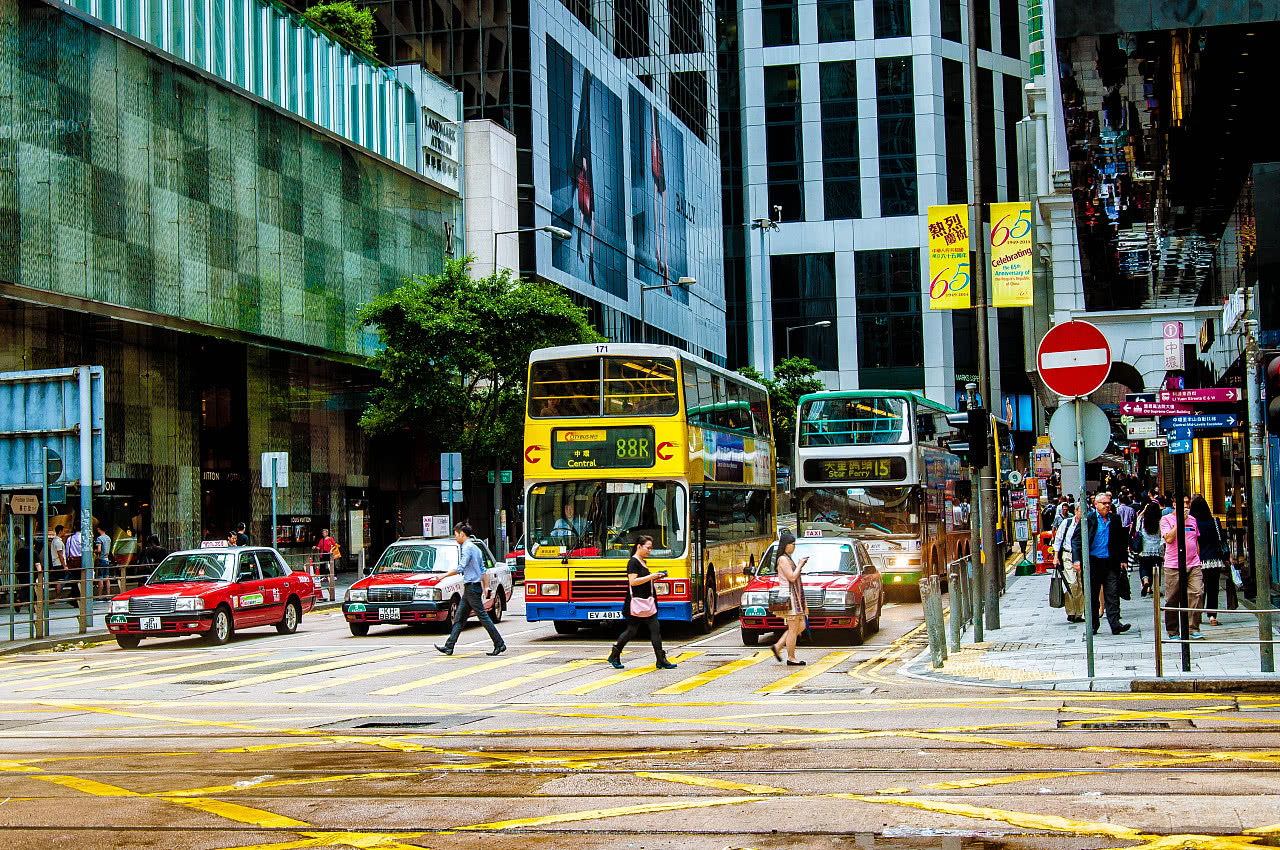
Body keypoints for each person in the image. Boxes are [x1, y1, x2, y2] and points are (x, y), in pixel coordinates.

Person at [607, 535, 677, 670]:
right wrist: (651, 576)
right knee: (631, 631)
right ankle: (614, 654)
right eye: (648, 548)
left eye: (651, 548)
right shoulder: (633, 562)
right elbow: (632, 582)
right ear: (639, 546)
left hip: (647, 602)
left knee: (655, 629)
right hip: (636, 603)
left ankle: (660, 659)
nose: (649, 551)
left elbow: (643, 580)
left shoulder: (642, 561)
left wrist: (655, 577)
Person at [435, 523, 506, 657]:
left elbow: (461, 567)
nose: (455, 537)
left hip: (472, 588)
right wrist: (485, 586)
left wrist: (443, 575)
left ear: (462, 534)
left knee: (483, 617)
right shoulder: (476, 548)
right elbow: (482, 570)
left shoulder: (467, 548)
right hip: (472, 588)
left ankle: (499, 643)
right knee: (459, 618)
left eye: (456, 534)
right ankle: (449, 646)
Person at [1070, 492, 1131, 635]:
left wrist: (1123, 560)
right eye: (1104, 503)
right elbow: (1076, 540)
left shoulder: (1115, 519)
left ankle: (1115, 624)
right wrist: (1077, 560)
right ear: (1096, 505)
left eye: (1109, 503)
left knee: (1112, 595)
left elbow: (1120, 541)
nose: (1107, 506)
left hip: (1110, 563)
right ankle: (1093, 625)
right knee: (1092, 595)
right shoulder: (1088, 519)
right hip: (1093, 563)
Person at [1161, 497, 1204, 640]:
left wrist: (1198, 558)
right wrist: (1180, 521)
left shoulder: (1193, 520)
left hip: (1193, 563)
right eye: (1182, 503)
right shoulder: (1166, 520)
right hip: (1173, 565)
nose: (1186, 505)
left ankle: (1193, 627)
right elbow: (1169, 539)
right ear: (1174, 505)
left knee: (1197, 593)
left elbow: (1195, 539)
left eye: (1187, 503)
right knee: (1173, 598)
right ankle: (1173, 630)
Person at [1189, 495, 1233, 625]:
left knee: (1198, 589)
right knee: (1213, 588)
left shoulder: (1192, 523)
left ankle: (1198, 614)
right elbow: (1222, 540)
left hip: (1197, 560)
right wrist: (1227, 557)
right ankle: (1212, 616)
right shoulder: (1215, 521)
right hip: (1214, 560)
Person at [769, 530, 810, 665]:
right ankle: (791, 657)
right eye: (792, 544)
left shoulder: (787, 558)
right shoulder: (783, 559)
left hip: (796, 596)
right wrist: (799, 565)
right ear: (786, 545)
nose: (794, 546)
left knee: (801, 625)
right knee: (793, 629)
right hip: (790, 597)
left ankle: (779, 646)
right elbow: (792, 577)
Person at [1052, 505, 1085, 623]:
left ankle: (1079, 613)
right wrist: (1056, 557)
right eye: (1082, 511)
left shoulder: (1086, 523)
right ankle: (1071, 611)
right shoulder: (1067, 523)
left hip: (1081, 557)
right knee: (1072, 583)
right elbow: (1058, 540)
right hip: (1067, 555)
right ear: (1076, 511)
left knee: (1081, 584)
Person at [1135, 501, 1164, 598]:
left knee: (1144, 568)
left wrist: (1144, 510)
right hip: (1157, 550)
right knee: (1156, 569)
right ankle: (1155, 588)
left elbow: (1136, 527)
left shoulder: (1143, 520)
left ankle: (1146, 582)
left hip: (1144, 549)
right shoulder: (1160, 521)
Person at [93, 525, 113, 599]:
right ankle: (108, 595)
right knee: (107, 578)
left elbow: (99, 550)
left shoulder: (99, 538)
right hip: (107, 559)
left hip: (101, 559)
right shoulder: (108, 538)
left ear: (99, 529)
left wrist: (94, 551)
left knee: (100, 578)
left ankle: (100, 596)